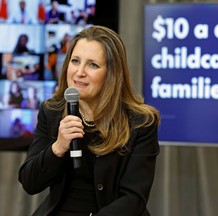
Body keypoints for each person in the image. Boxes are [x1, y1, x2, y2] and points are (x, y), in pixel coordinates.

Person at [18, 25, 160, 216]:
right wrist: (58, 147)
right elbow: (30, 182)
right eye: (75, 61)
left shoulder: (140, 122)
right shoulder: (51, 111)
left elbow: (133, 199)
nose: (79, 72)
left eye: (93, 65)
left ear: (112, 73)